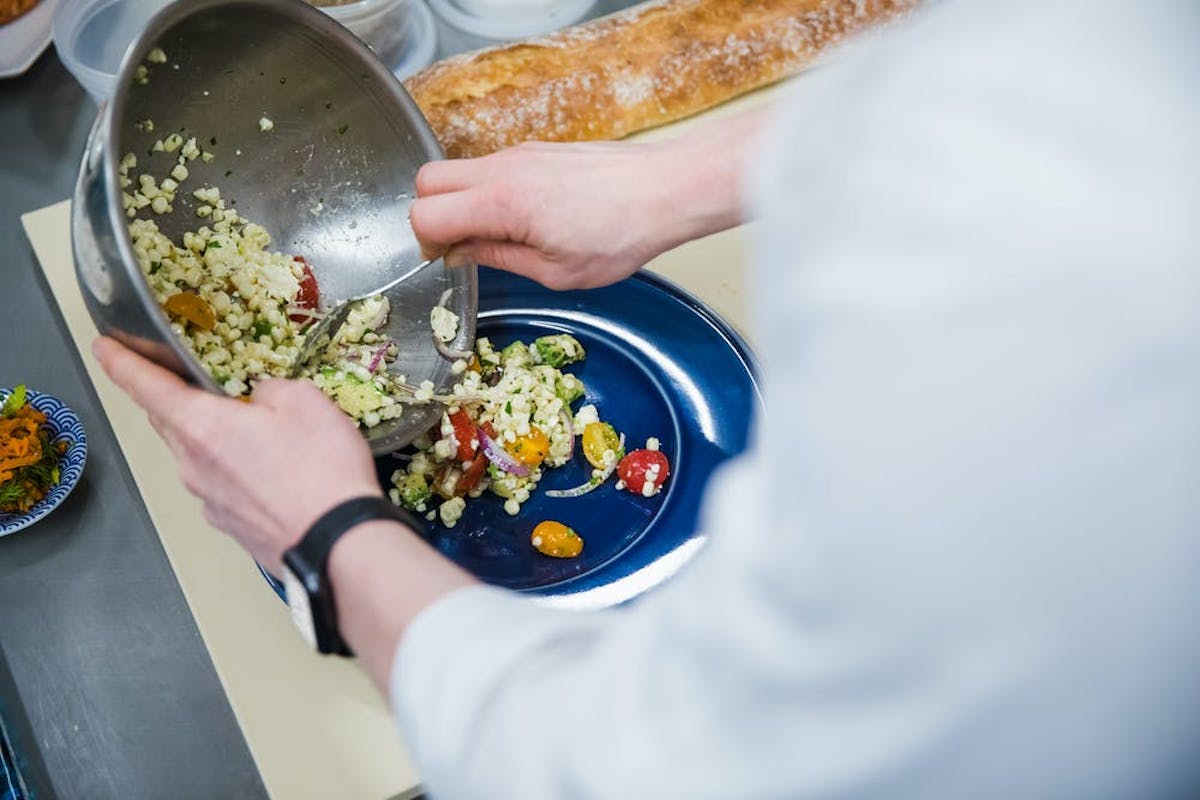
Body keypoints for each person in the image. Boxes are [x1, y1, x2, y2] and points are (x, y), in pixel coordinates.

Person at [94, 0, 1200, 796]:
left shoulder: (1066, 353)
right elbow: (1030, 80)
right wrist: (670, 184)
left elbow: (643, 763)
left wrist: (332, 538)